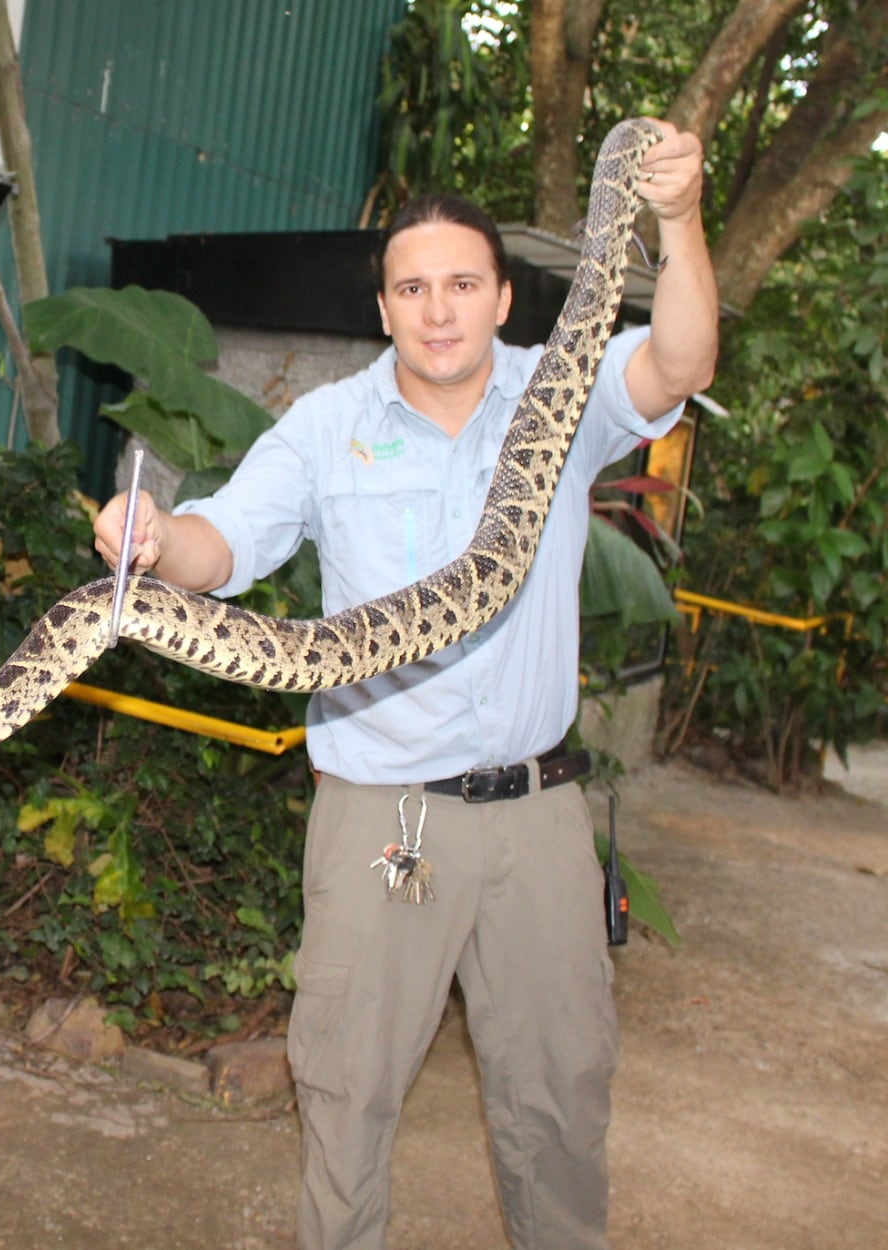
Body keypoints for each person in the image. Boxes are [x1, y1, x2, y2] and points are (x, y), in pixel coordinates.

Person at [94, 118, 718, 1250]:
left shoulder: (556, 397)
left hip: (535, 816)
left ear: (500, 301)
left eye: (461, 283)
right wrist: (148, 540)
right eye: (412, 287)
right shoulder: (325, 428)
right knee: (344, 1097)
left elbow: (678, 361)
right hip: (383, 813)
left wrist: (671, 211)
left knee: (561, 1096)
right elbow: (219, 549)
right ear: (383, 308)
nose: (436, 307)